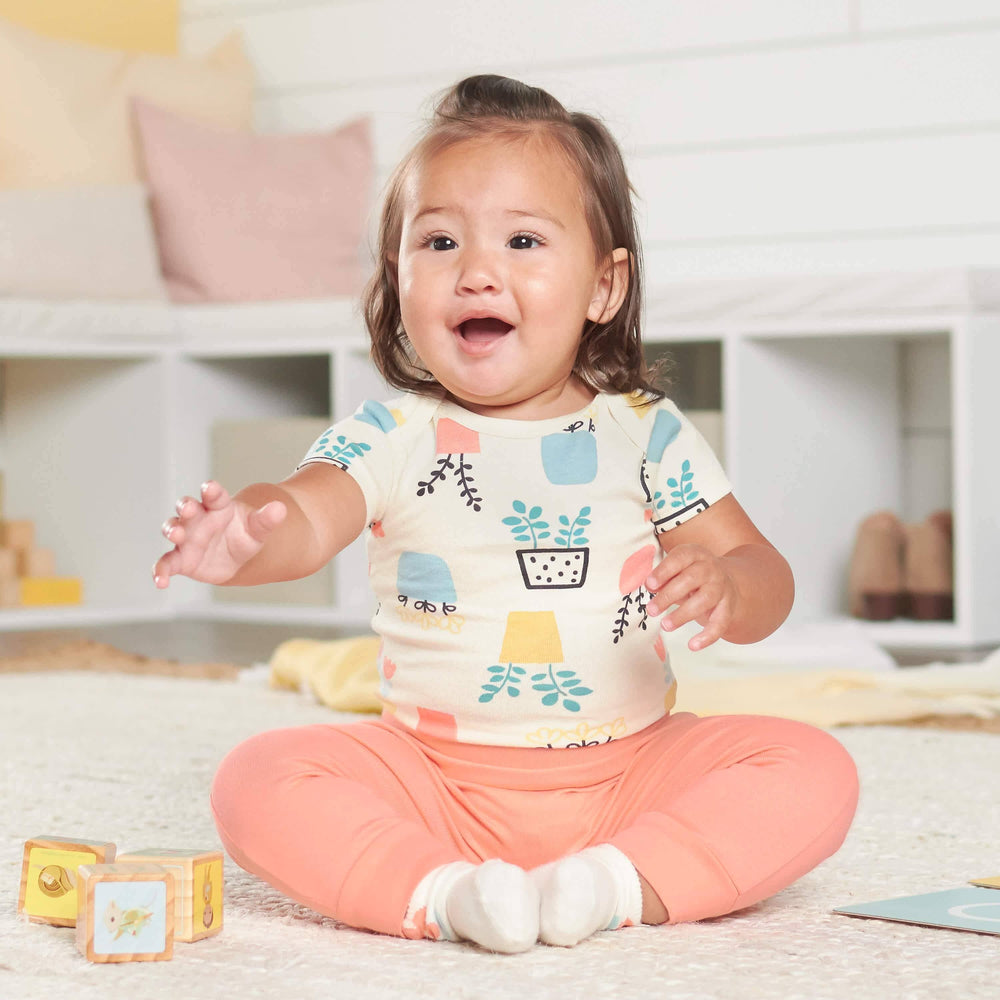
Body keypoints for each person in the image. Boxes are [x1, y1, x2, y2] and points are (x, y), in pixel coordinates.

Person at [154, 75, 859, 954]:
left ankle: (611, 884)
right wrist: (245, 531)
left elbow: (765, 580)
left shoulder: (645, 432)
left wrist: (728, 583)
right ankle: (445, 894)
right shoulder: (391, 436)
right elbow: (304, 514)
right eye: (440, 241)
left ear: (603, 285)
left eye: (523, 240)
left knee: (812, 767)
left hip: (632, 774)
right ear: (398, 277)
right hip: (431, 781)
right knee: (256, 778)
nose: (477, 272)